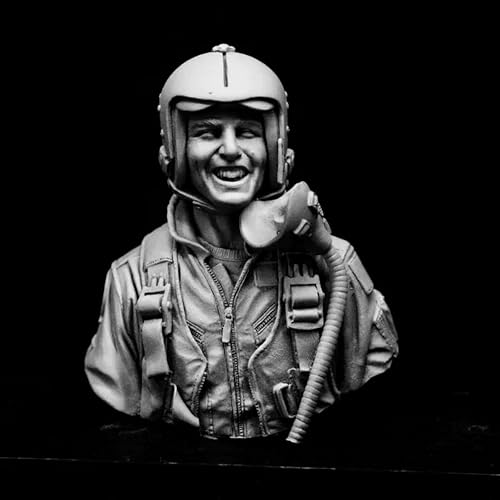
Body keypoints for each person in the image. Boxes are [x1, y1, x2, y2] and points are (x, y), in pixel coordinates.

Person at [84, 44, 399, 442]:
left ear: (275, 146)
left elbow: (370, 360)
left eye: (248, 132)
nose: (231, 150)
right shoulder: (132, 278)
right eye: (208, 132)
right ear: (176, 150)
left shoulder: (331, 263)